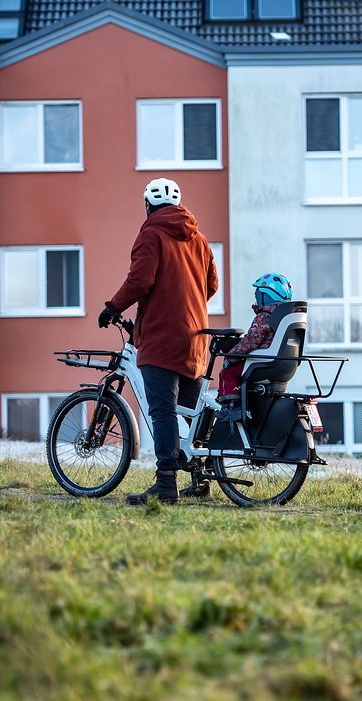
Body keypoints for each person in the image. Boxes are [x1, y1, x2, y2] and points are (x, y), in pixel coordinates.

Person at [98, 177, 218, 505]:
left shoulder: (151, 233)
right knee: (191, 414)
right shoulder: (200, 239)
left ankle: (166, 483)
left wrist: (112, 308)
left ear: (148, 205)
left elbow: (140, 280)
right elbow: (211, 285)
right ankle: (200, 479)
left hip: (163, 338)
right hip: (196, 338)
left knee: (162, 410)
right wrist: (185, 302)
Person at [215, 273, 294, 423]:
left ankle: (230, 408)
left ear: (265, 296)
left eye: (257, 294)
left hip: (262, 362)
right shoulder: (286, 315)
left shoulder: (264, 316)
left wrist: (231, 356)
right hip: (283, 364)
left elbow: (251, 342)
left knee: (228, 372)